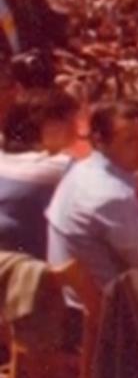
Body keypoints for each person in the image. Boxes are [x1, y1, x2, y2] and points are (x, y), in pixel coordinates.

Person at [45, 98, 138, 337]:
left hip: (67, 304)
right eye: (131, 140)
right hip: (104, 323)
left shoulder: (80, 168)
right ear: (98, 140)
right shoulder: (114, 198)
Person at [0, 88, 79, 258]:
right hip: (27, 268)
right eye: (64, 120)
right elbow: (112, 187)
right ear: (35, 125)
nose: (73, 126)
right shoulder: (57, 167)